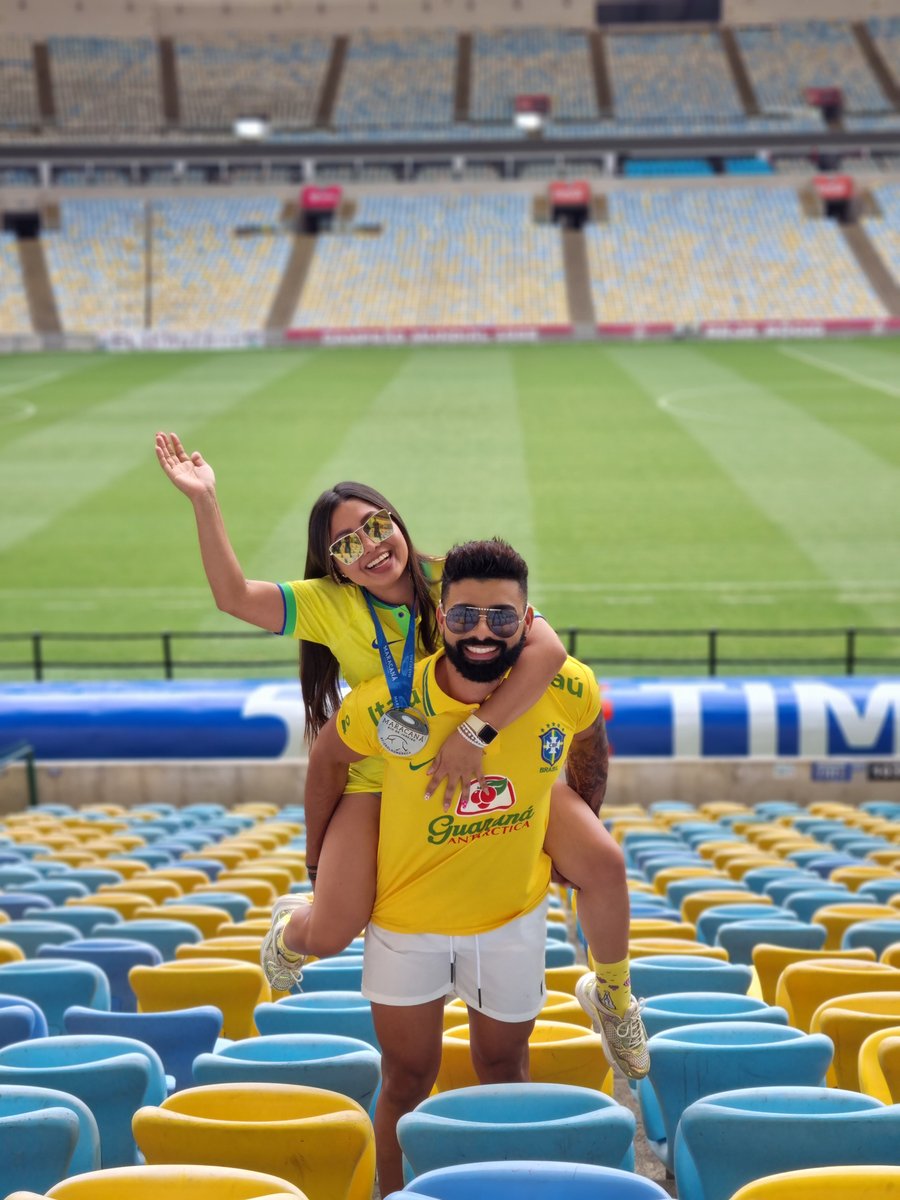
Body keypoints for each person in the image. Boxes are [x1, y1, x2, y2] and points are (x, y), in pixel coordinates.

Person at [155, 433, 641, 1076]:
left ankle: (612, 993)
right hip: (383, 775)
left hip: (485, 759)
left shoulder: (447, 579)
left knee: (603, 863)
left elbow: (547, 650)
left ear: (396, 523)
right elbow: (234, 597)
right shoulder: (329, 604)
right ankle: (291, 930)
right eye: (346, 544)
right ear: (336, 566)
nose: (370, 546)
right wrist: (205, 500)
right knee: (334, 930)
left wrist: (476, 733)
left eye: (376, 525)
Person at [272, 538, 649, 1196]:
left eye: (501, 617)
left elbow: (589, 735)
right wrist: (317, 857)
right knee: (407, 1079)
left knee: (504, 1071)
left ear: (527, 621)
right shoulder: (390, 703)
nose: (482, 631)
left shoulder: (565, 684)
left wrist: (580, 816)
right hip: (405, 920)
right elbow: (329, 757)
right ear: (440, 618)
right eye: (466, 615)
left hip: (509, 918)